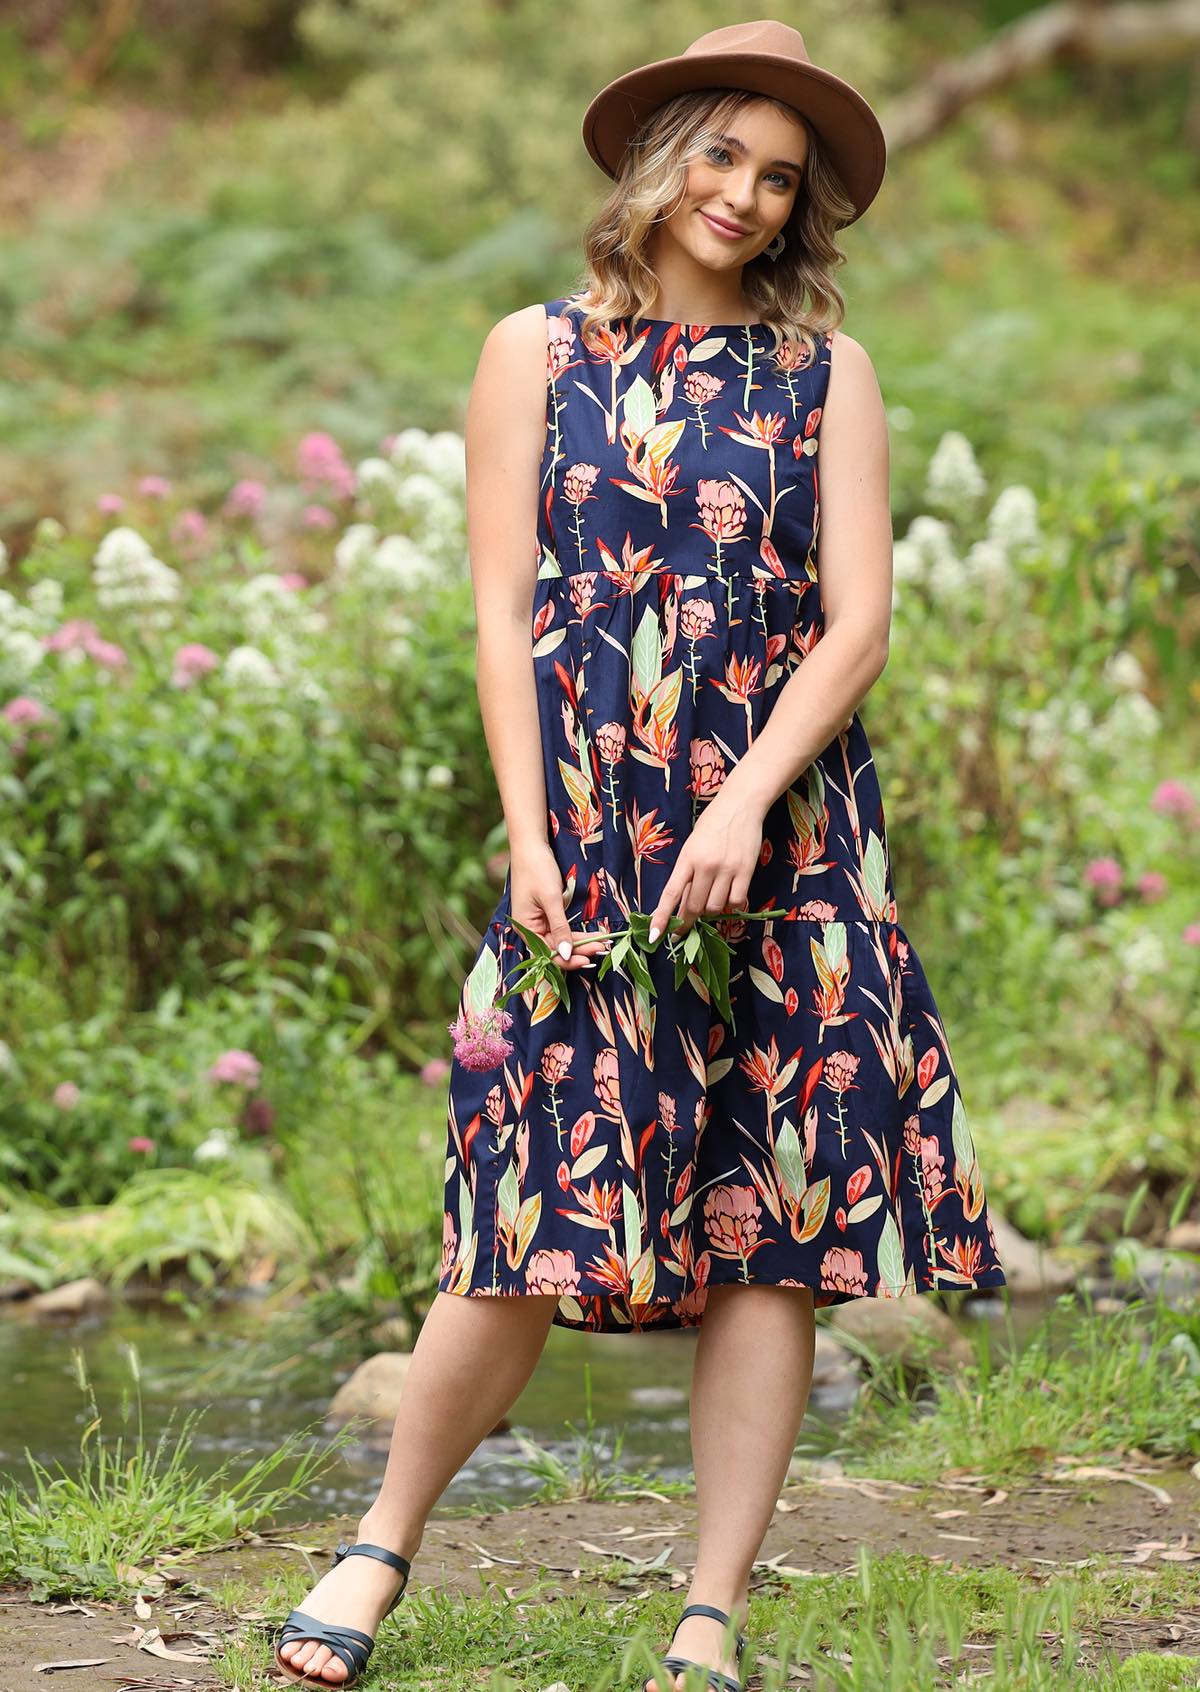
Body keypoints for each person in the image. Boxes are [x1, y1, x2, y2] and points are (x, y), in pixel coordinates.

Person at [274, 19, 1007, 1691]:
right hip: (590, 839)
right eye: (725, 153)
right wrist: (531, 832)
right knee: (526, 1196)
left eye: (779, 177)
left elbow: (860, 626)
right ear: (659, 151)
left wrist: (749, 800)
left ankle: (710, 1615)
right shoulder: (531, 352)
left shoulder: (832, 377)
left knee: (772, 1221)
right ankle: (378, 1550)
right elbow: (499, 613)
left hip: (789, 840)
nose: (745, 196)